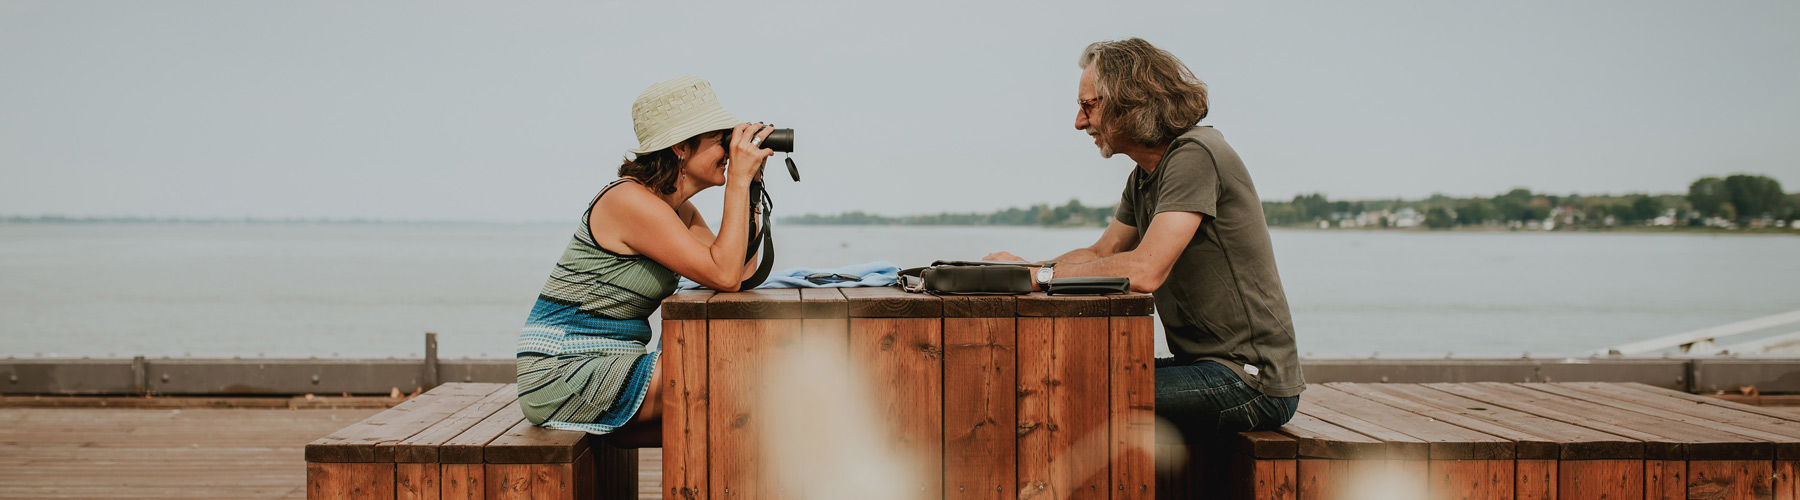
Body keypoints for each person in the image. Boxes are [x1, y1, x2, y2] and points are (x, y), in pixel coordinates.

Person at [986, 39, 1303, 437]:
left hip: (1252, 381)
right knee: (1062, 380)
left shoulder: (1196, 154)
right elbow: (1101, 252)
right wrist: (1023, 271)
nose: (1079, 122)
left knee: (1080, 394)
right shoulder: (1144, 177)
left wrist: (1040, 279)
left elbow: (1146, 269)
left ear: (1131, 101)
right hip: (1206, 366)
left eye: (1089, 105)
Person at [515, 76, 774, 447]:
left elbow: (739, 271)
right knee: (726, 374)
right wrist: (737, 181)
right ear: (682, 147)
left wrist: (749, 187)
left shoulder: (678, 211)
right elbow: (726, 273)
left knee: (721, 426)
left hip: (611, 363)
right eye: (722, 141)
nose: (731, 151)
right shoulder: (630, 202)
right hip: (562, 370)